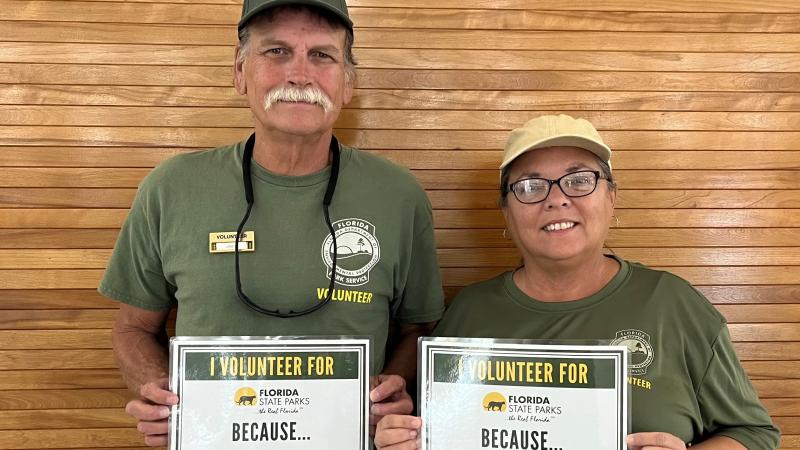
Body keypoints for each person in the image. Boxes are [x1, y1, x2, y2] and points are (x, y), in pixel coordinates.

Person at [99, 0, 444, 445]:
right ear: (240, 73)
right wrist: (162, 396)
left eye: (322, 55)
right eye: (276, 51)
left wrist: (394, 387)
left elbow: (420, 331)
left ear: (348, 84)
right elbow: (133, 328)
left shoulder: (400, 196)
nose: (299, 74)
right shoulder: (170, 188)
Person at [375, 114, 780, 450]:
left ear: (611, 198)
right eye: (530, 186)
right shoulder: (468, 312)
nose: (557, 199)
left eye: (579, 180)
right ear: (506, 211)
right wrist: (404, 437)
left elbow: (754, 434)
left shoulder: (672, 304)